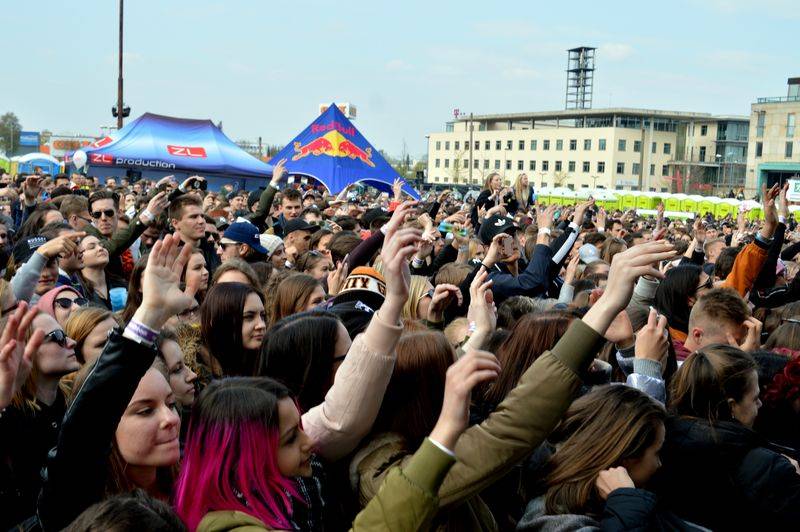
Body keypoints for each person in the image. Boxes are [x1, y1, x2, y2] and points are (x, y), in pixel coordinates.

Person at [655, 344, 800, 530]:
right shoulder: (765, 467)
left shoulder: (659, 446)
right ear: (731, 406)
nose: (760, 404)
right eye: (755, 398)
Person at [518, 386, 691, 530]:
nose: (659, 464)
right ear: (626, 458)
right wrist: (626, 503)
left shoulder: (582, 501)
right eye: (657, 452)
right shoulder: (560, 525)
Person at [0, 309, 78, 530]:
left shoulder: (74, 399)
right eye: (58, 338)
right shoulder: (9, 419)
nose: (71, 342)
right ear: (24, 350)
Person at [199, 282, 267, 377]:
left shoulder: (269, 366)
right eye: (249, 317)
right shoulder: (200, 377)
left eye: (262, 316)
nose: (261, 325)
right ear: (222, 321)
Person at [78, 234, 127, 310]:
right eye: (91, 247)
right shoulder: (78, 292)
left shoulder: (121, 285)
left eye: (102, 245)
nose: (100, 248)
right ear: (79, 256)